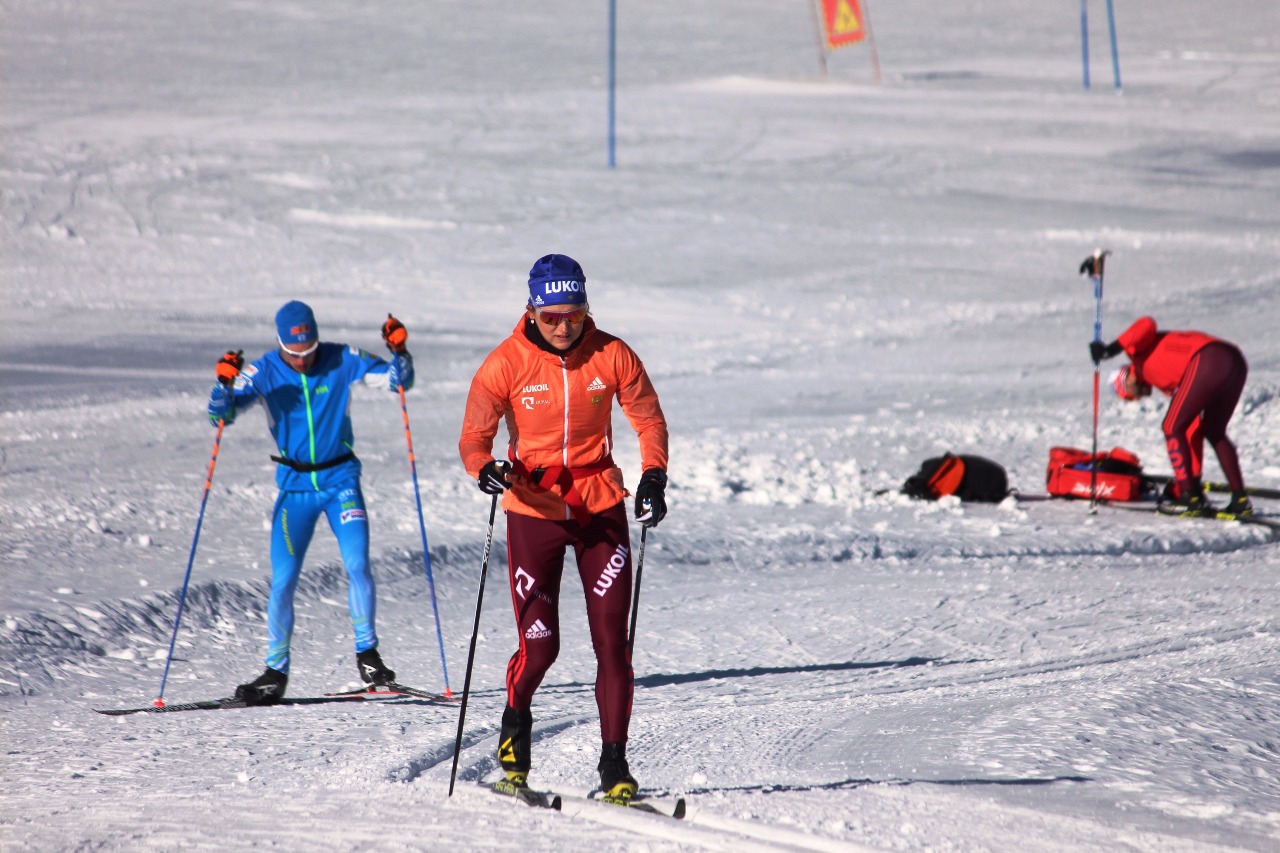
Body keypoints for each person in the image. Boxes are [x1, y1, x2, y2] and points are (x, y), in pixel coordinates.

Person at [458, 254, 669, 802]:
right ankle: (514, 738)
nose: (563, 326)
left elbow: (648, 419)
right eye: (551, 316)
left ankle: (614, 768)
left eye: (573, 315)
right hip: (533, 514)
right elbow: (473, 438)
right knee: (541, 646)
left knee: (612, 645)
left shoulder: (612, 354)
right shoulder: (506, 363)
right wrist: (484, 470)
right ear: (532, 309)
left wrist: (652, 476)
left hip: (600, 509)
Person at [207, 301, 415, 704]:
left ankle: (369, 656)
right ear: (281, 345)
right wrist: (223, 386)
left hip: (341, 481)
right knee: (283, 581)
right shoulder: (264, 371)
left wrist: (400, 353)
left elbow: (397, 380)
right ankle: (274, 672)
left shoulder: (342, 358)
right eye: (294, 354)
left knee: (357, 564)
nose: (303, 361)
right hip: (295, 488)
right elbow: (221, 415)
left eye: (310, 351)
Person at [1091, 315, 1251, 517]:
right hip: (1233, 361)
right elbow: (1191, 427)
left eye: (1129, 394)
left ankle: (1190, 498)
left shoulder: (1136, 354)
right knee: (1213, 430)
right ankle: (1240, 500)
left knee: (1170, 426)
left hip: (1209, 358)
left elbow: (1147, 324)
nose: (1136, 397)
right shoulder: (1164, 378)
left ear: (1125, 378)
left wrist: (1111, 349)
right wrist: (1193, 478)